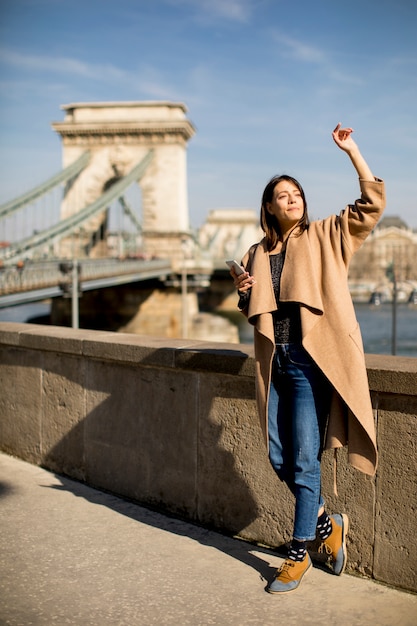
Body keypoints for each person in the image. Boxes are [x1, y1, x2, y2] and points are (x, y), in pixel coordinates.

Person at [230, 123, 385, 594]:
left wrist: (352, 151)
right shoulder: (257, 251)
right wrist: (242, 295)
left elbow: (371, 207)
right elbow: (254, 311)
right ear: (269, 206)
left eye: (296, 192)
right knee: (280, 456)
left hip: (309, 363)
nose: (292, 198)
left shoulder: (325, 234)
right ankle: (327, 525)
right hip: (273, 363)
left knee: (303, 459)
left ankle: (298, 552)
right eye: (282, 194)